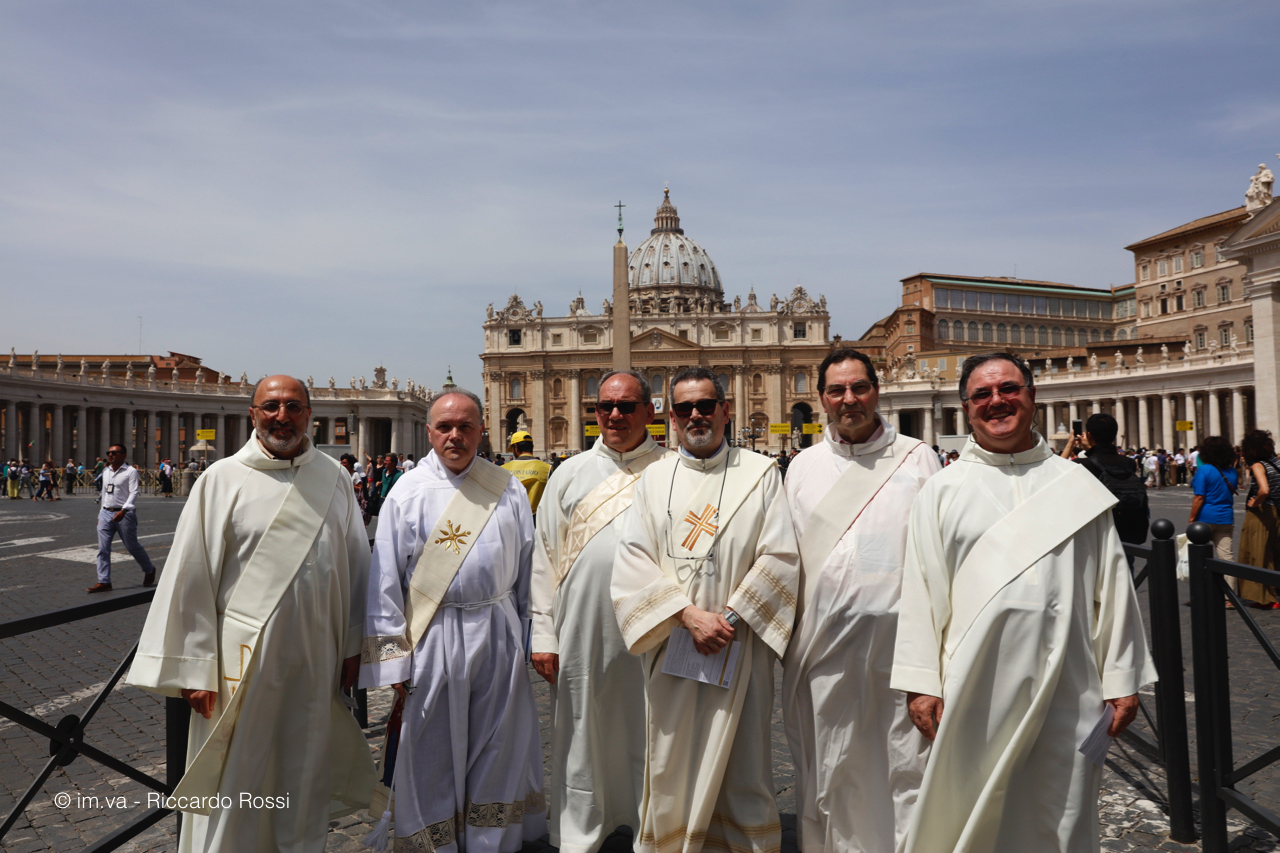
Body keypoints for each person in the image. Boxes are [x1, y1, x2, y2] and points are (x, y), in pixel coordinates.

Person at [891, 352, 1155, 852]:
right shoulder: (941, 490)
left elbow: (1112, 586)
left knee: (1059, 817)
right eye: (982, 394)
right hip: (974, 686)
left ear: (1032, 396)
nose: (997, 401)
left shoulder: (1078, 485)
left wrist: (1122, 677)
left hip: (1069, 685)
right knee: (971, 817)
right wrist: (921, 683)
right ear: (966, 408)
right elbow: (922, 589)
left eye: (1009, 389)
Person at [127, 375, 374, 852]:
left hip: (317, 658)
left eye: (294, 407)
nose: (283, 416)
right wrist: (194, 669)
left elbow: (355, 563)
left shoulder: (334, 477)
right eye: (271, 406)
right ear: (253, 414)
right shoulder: (220, 479)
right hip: (239, 664)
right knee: (237, 777)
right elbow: (191, 574)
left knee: (302, 771)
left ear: (309, 415)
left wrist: (353, 645)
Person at [612, 367, 800, 853]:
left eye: (705, 405)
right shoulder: (654, 479)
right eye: (684, 408)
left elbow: (780, 556)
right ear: (671, 418)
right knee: (671, 758)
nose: (696, 415)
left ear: (725, 410)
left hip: (741, 644)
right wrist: (689, 617)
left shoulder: (760, 474)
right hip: (674, 643)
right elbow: (633, 558)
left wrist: (728, 619)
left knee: (745, 758)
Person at [361, 389, 546, 851]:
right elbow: (384, 581)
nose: (455, 436)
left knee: (498, 746)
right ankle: (435, 844)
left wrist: (533, 636)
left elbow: (530, 570)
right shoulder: (407, 492)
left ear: (482, 431)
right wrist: (392, 660)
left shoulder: (506, 488)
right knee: (431, 750)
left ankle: (490, 842)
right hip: (431, 636)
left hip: (498, 631)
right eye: (444, 427)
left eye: (465, 426)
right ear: (429, 432)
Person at [782, 349, 939, 853]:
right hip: (822, 653)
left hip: (901, 653)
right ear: (822, 399)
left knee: (904, 766)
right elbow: (781, 559)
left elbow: (940, 558)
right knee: (833, 768)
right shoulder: (801, 468)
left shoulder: (919, 458)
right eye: (837, 390)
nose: (848, 399)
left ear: (876, 390)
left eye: (859, 388)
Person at [529, 370, 670, 853]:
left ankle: (653, 829)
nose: (614, 415)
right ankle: (582, 831)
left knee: (653, 728)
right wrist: (543, 634)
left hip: (655, 629)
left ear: (649, 411)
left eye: (626, 406)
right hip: (581, 628)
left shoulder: (673, 471)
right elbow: (544, 558)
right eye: (604, 406)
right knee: (583, 728)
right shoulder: (567, 473)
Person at [1060, 413, 1150, 545]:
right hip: (1127, 533)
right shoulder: (1128, 463)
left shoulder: (1081, 465)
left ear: (1089, 435)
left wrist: (1070, 444)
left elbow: (1055, 476)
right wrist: (1091, 448)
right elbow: (1105, 459)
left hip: (1100, 537)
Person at [87, 445, 158, 592]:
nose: (110, 455)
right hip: (106, 512)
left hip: (124, 513)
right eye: (108, 452)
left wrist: (124, 510)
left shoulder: (131, 471)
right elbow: (105, 493)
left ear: (124, 455)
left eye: (114, 452)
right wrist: (100, 514)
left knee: (132, 546)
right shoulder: (106, 471)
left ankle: (149, 569)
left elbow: (134, 492)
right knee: (103, 548)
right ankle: (104, 581)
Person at [1191, 435, 1240, 605]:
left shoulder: (1204, 470)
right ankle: (1230, 597)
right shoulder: (1232, 472)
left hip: (1205, 518)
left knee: (1199, 558)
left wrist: (1191, 519)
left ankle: (1200, 595)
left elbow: (1199, 497)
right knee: (1227, 558)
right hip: (1225, 518)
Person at [1237, 430, 1280, 608]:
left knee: (1258, 553)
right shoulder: (1277, 463)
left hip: (1262, 513)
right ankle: (1274, 590)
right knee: (1274, 552)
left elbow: (1264, 490)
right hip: (1277, 511)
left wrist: (1254, 503)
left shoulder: (1258, 465)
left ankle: (1265, 598)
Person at [503, 430, 553, 516]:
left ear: (516, 447)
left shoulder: (503, 469)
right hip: (537, 518)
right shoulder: (547, 468)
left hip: (511, 517)